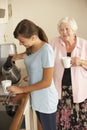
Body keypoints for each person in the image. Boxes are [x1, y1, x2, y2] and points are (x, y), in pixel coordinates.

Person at [7, 19, 58, 130]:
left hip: (46, 100)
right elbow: (30, 57)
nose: (20, 43)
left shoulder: (46, 50)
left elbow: (47, 82)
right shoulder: (31, 48)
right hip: (37, 97)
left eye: (22, 41)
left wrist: (22, 90)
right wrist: (14, 57)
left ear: (33, 37)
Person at [50, 17, 87, 130]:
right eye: (61, 30)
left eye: (67, 29)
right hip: (60, 90)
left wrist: (80, 62)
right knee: (62, 122)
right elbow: (46, 63)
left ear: (74, 30)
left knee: (79, 121)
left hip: (79, 90)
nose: (64, 32)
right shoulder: (54, 43)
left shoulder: (84, 44)